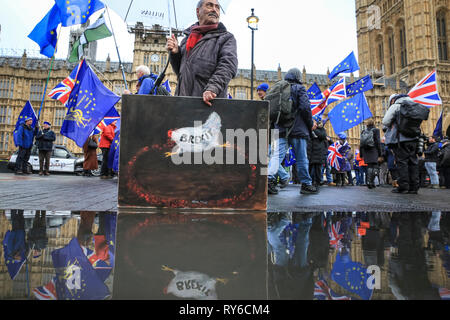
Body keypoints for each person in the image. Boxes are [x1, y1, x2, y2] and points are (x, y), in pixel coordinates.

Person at [166, 0, 238, 107]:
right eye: (209, 5)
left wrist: (213, 88)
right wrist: (176, 53)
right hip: (183, 102)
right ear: (198, 11)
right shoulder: (187, 39)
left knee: (199, 124)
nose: (214, 9)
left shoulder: (226, 38)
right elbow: (181, 72)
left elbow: (228, 65)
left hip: (207, 104)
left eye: (217, 7)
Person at [284, 68, 318, 195]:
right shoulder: (299, 88)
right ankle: (306, 184)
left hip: (281, 128)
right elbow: (305, 108)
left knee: (276, 156)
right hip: (298, 129)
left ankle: (269, 180)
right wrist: (309, 124)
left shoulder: (281, 88)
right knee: (302, 158)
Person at [383, 94, 422, 194]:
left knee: (402, 163)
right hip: (414, 139)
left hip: (400, 139)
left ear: (393, 100)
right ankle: (414, 187)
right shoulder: (414, 105)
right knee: (413, 162)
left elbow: (386, 121)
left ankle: (404, 187)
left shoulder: (396, 106)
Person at [360, 119, 382, 189]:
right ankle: (371, 182)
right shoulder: (376, 130)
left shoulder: (363, 131)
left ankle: (369, 182)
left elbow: (361, 143)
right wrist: (380, 153)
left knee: (369, 166)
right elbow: (378, 142)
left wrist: (361, 154)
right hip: (374, 149)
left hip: (366, 151)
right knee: (375, 167)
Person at [307, 120, 327, 187]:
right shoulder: (310, 128)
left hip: (318, 152)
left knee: (317, 168)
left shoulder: (320, 130)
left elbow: (323, 136)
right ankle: (308, 181)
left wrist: (317, 129)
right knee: (310, 167)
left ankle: (317, 181)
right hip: (311, 150)